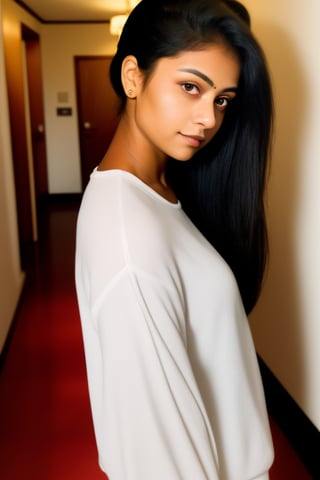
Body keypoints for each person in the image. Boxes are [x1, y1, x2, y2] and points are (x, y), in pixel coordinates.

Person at [75, 0, 274, 478]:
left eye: (222, 99)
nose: (208, 118)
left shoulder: (158, 192)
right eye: (190, 87)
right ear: (132, 77)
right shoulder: (130, 243)